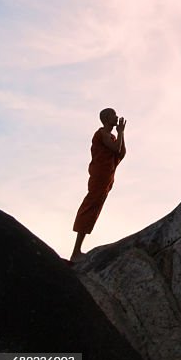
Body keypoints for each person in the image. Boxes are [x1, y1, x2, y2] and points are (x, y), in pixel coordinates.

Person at [70, 108, 126, 262]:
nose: (116, 117)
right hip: (99, 176)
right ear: (107, 118)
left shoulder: (113, 137)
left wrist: (121, 133)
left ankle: (77, 251)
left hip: (107, 177)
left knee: (94, 209)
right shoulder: (101, 134)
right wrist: (120, 133)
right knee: (90, 207)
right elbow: (116, 149)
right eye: (113, 115)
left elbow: (121, 153)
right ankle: (75, 252)